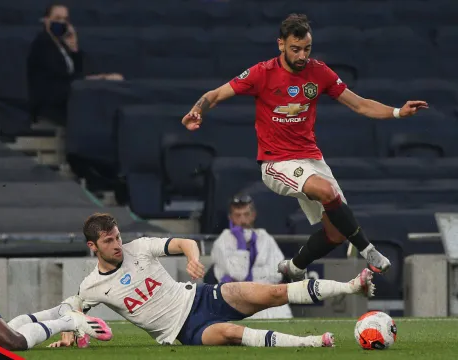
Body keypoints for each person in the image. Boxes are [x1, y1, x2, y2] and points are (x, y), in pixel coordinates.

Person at [181, 13, 429, 281]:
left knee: (335, 233)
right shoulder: (261, 73)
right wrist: (198, 110)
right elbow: (215, 94)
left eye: (306, 49)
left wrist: (397, 113)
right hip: (276, 162)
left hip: (311, 158)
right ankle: (368, 250)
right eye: (295, 49)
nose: (301, 56)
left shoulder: (319, 72)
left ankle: (295, 266)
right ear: (281, 45)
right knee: (326, 190)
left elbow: (359, 104)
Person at [48, 213, 374, 347]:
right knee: (230, 332)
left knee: (274, 293)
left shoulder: (139, 248)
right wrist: (69, 331)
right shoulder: (92, 284)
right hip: (185, 331)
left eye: (117, 237)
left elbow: (184, 243)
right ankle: (310, 342)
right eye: (108, 242)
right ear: (93, 247)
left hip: (203, 296)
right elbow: (72, 307)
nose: (117, 245)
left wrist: (192, 257)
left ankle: (352, 286)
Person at [23, 3, 122, 134]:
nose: (61, 22)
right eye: (57, 18)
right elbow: (61, 78)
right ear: (46, 20)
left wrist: (74, 48)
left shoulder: (62, 46)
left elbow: (79, 73)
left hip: (68, 99)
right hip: (51, 105)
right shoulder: (42, 44)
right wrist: (99, 78)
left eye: (65, 19)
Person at [208, 193, 292, 319]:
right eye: (237, 215)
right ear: (230, 218)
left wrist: (252, 280)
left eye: (246, 214)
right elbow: (238, 274)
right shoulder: (222, 242)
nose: (242, 220)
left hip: (267, 301)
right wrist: (241, 246)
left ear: (253, 215)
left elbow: (277, 273)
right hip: (237, 302)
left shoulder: (265, 238)